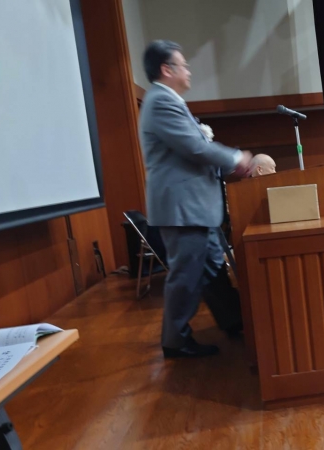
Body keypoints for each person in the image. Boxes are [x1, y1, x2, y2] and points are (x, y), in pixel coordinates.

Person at [139, 40, 253, 358]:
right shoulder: (161, 101)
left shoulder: (167, 100)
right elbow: (195, 148)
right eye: (184, 65)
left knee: (213, 267)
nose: (189, 71)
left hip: (195, 207)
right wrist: (237, 158)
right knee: (186, 276)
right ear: (167, 69)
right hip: (183, 209)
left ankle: (234, 319)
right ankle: (175, 341)